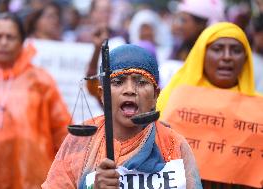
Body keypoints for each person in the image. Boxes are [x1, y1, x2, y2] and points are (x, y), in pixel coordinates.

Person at [42, 44, 202, 189]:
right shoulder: (80, 143)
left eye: (141, 82)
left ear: (155, 95)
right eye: (118, 82)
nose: (130, 90)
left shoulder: (174, 144)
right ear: (102, 94)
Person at [157, 22, 262, 188]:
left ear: (246, 58)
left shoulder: (259, 111)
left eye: (235, 50)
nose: (227, 56)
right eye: (218, 49)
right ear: (202, 54)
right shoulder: (171, 100)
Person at [0, 12, 71, 188]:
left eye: (10, 37)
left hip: (33, 179)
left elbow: (62, 131)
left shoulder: (40, 81)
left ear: (22, 41)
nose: (3, 42)